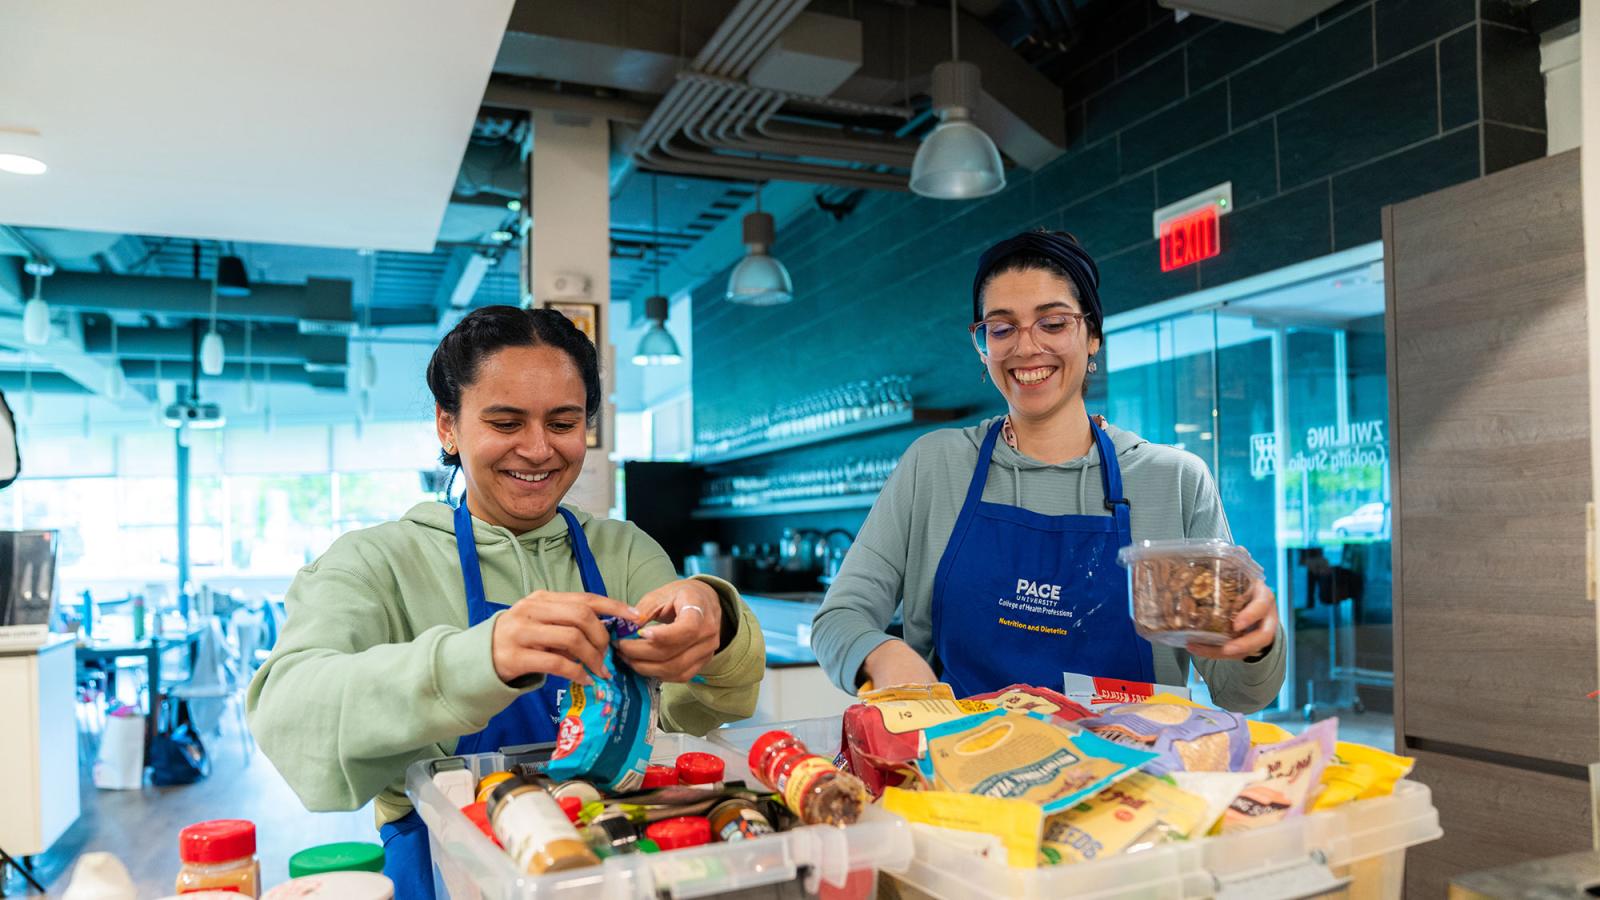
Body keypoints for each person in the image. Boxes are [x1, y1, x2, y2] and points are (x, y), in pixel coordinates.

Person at [248, 306, 765, 897]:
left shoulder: (623, 553)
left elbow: (690, 710)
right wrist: (480, 658)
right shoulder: (375, 563)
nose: (539, 449)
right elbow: (289, 715)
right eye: (506, 422)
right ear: (448, 425)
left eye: (564, 423)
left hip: (615, 855)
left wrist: (714, 621)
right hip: (449, 868)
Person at [810, 230, 1284, 712]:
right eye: (1001, 328)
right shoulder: (935, 465)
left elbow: (1242, 693)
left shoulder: (1173, 481)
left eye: (1053, 323)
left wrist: (1256, 640)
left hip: (1137, 777)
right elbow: (838, 618)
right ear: (983, 345)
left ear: (1093, 334)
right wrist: (882, 653)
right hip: (962, 770)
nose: (1026, 347)